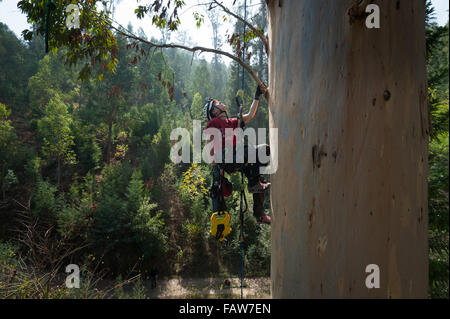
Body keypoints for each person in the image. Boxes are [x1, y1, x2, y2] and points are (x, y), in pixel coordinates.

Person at [203, 84, 271, 225]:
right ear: (214, 112)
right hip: (228, 159)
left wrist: (256, 96)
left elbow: (250, 115)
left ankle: (259, 215)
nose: (221, 103)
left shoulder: (231, 122)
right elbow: (210, 152)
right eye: (217, 103)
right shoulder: (213, 123)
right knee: (253, 152)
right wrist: (220, 155)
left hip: (237, 158)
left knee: (265, 151)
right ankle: (253, 183)